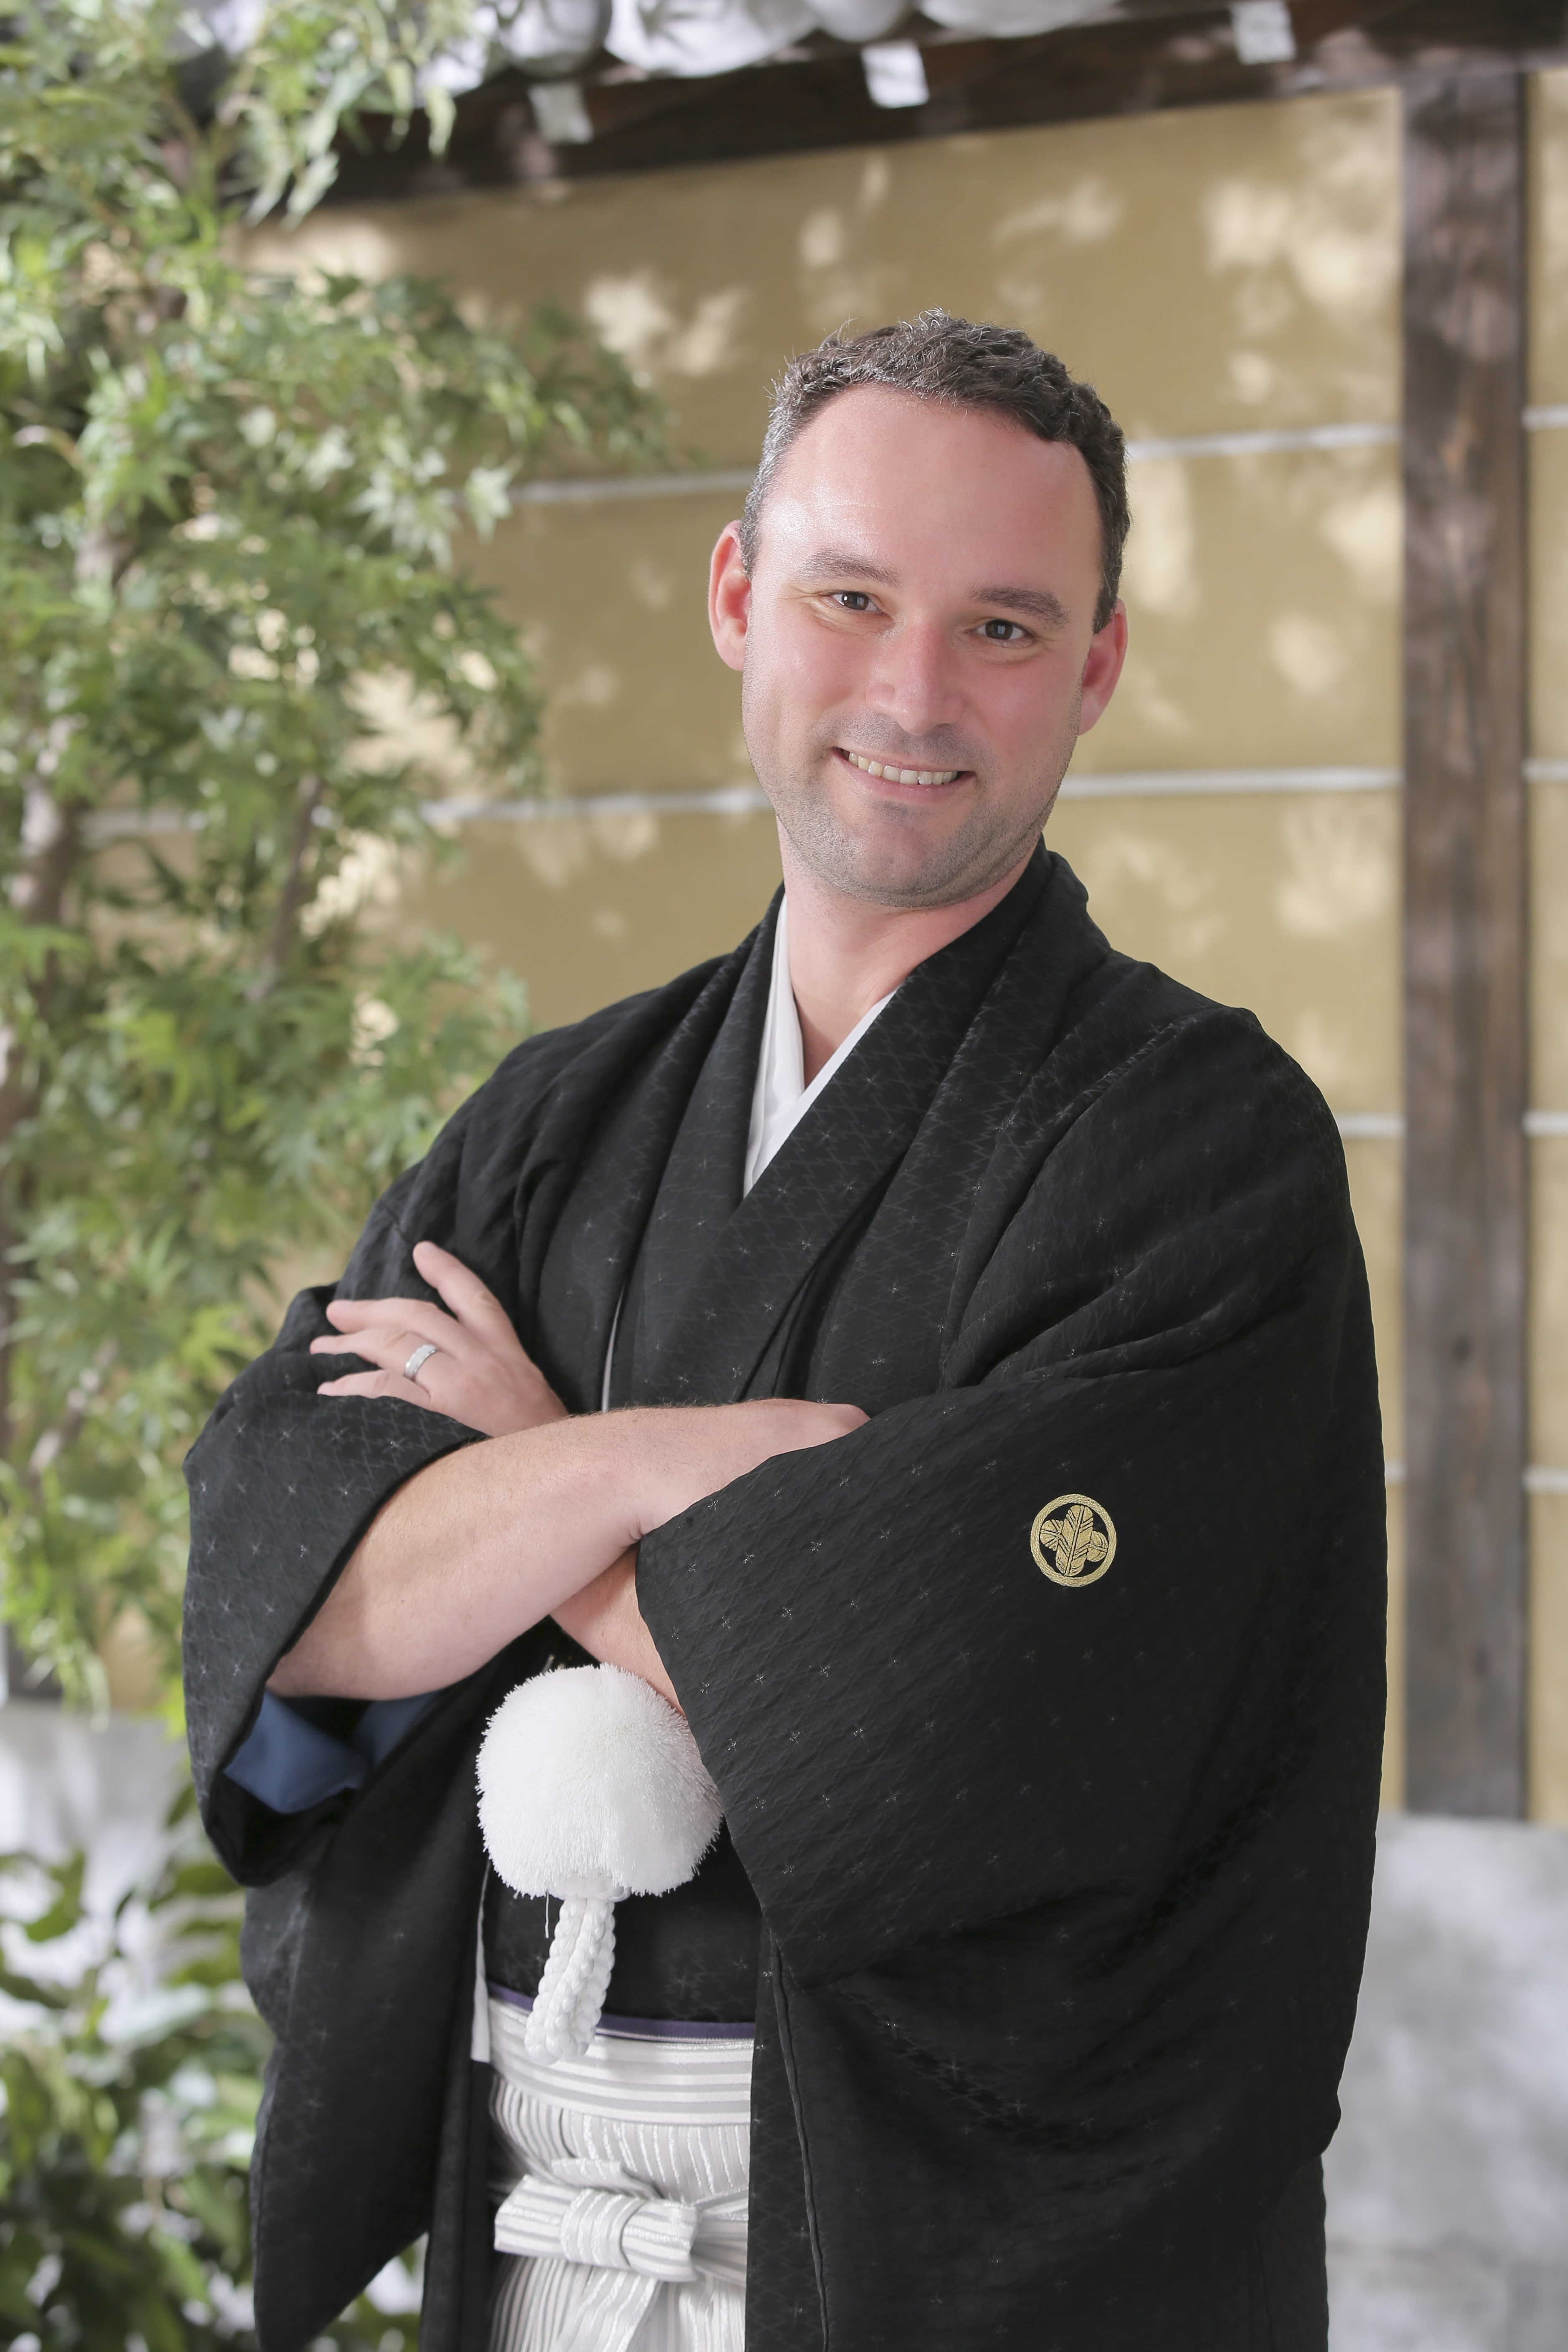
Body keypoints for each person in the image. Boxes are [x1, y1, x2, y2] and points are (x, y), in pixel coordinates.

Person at [183, 312, 1386, 2352]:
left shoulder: (1195, 1148)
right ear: (739, 597)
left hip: (947, 2270)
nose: (914, 693)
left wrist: (518, 1487)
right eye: (851, 597)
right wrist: (655, 1460)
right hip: (544, 2235)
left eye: (1003, 627)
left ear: (1095, 666)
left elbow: (944, 1731)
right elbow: (298, 1604)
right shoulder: (559, 1118)